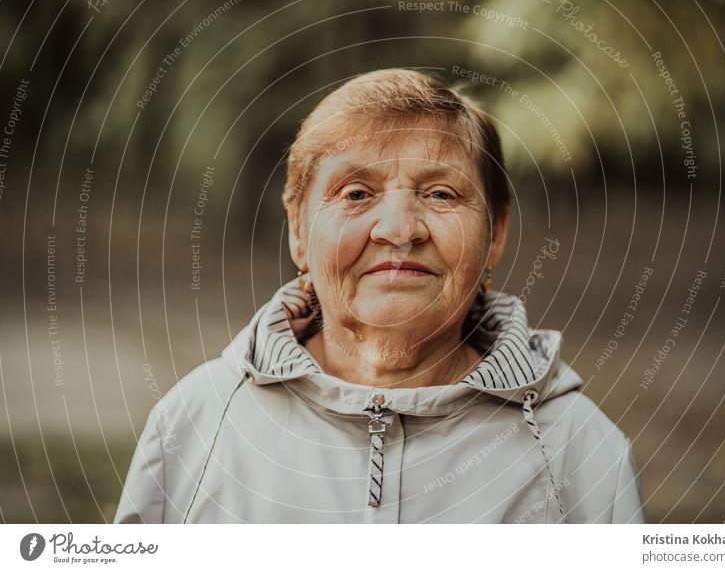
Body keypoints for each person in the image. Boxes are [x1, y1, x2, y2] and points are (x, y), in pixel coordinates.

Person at [114, 69, 645, 523]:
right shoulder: (194, 424)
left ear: (496, 233)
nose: (399, 228)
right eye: (356, 194)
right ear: (299, 230)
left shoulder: (578, 449)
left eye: (440, 193)